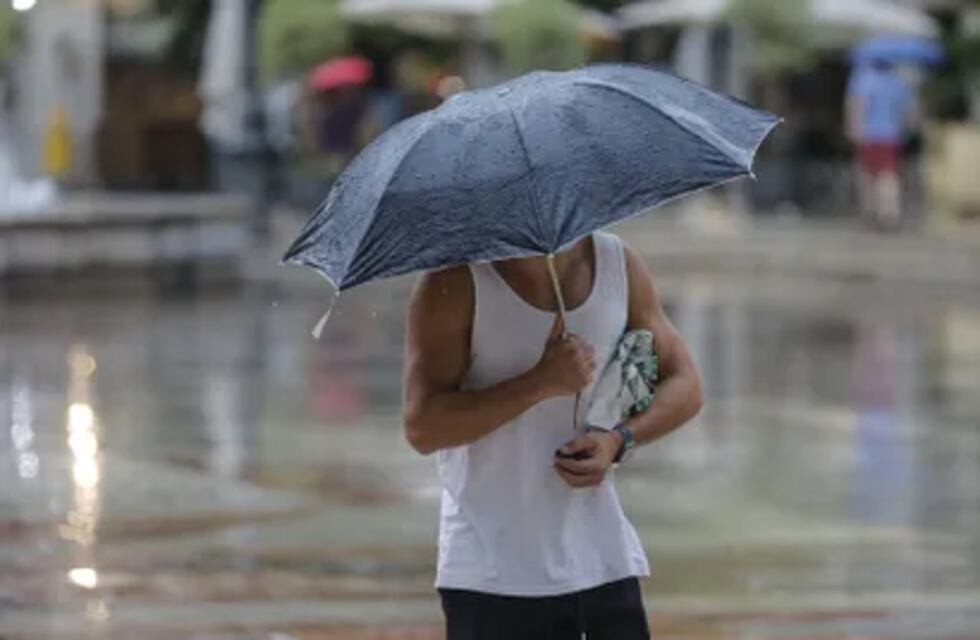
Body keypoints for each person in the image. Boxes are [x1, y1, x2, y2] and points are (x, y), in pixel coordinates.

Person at [402, 232, 704, 639]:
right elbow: (422, 426)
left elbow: (685, 383)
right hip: (493, 574)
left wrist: (619, 440)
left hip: (603, 561)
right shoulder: (454, 281)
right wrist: (539, 383)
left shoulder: (618, 264)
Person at [846, 59, 914, 230]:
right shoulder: (898, 82)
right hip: (891, 135)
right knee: (889, 174)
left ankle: (871, 210)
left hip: (868, 135)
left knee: (867, 174)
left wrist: (854, 129)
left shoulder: (862, 79)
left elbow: (857, 106)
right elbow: (907, 112)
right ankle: (890, 212)